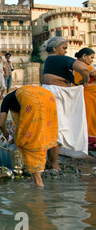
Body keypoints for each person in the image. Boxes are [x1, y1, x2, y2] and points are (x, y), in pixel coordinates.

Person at [41, 36, 90, 170]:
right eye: (64, 48)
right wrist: (85, 79)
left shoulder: (49, 60)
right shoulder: (60, 58)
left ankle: (49, 161)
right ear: (56, 48)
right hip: (58, 94)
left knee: (52, 127)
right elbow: (84, 68)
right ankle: (53, 163)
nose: (65, 51)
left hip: (48, 92)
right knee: (59, 128)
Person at [0, 85, 58, 187]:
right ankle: (35, 176)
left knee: (30, 140)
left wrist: (6, 135)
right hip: (48, 98)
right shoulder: (19, 98)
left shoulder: (7, 99)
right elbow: (22, 122)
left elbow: (1, 123)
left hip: (33, 101)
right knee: (41, 134)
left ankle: (38, 182)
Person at [74, 48, 96, 151]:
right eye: (91, 57)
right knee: (90, 117)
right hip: (88, 95)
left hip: (89, 95)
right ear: (84, 56)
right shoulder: (81, 66)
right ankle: (90, 141)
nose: (92, 60)